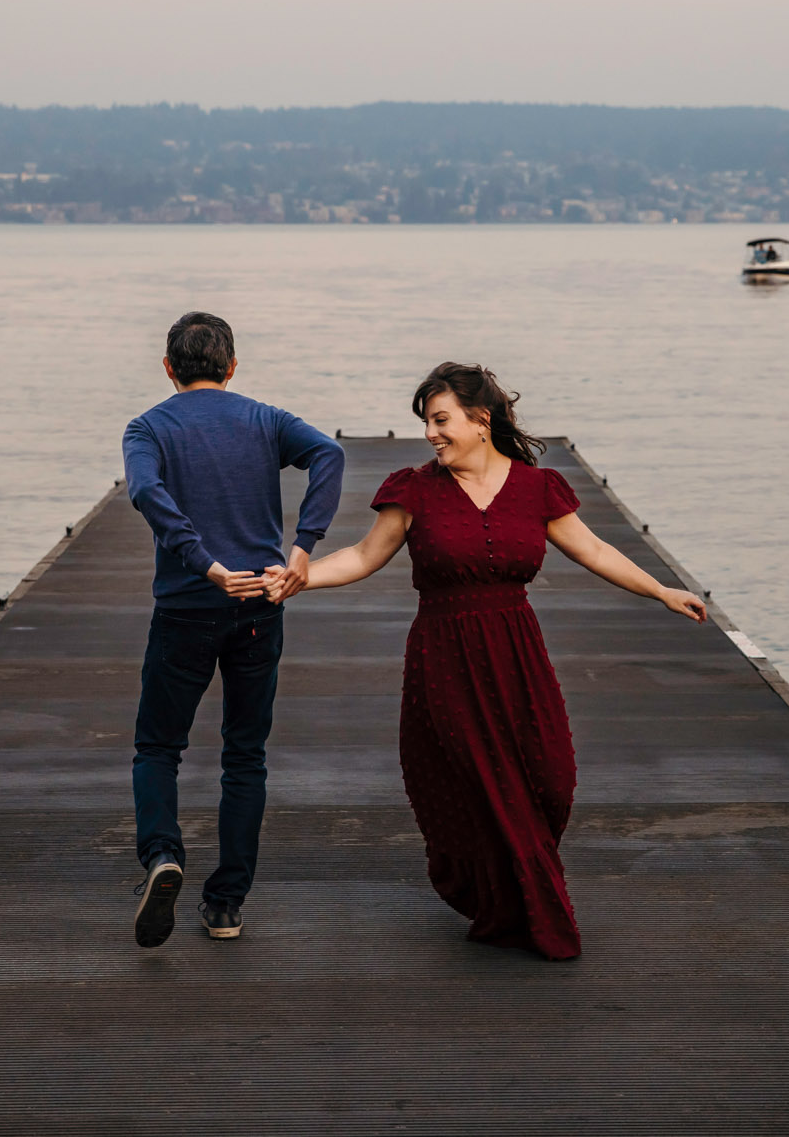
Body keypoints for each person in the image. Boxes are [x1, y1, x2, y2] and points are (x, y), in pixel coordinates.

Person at [271, 362, 706, 959]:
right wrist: (300, 577)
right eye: (427, 421)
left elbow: (597, 551)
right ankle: (527, 912)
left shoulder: (536, 488)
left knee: (551, 779)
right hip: (444, 655)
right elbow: (364, 556)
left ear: (482, 420)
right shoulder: (414, 489)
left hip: (518, 652)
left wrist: (661, 590)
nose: (431, 432)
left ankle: (510, 890)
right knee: (481, 781)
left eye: (441, 419)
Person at [122, 311, 343, 947]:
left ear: (168, 368)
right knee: (245, 756)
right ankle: (225, 905)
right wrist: (303, 546)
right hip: (260, 605)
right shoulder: (264, 420)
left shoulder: (148, 428)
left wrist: (203, 562)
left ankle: (162, 855)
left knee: (159, 747)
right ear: (232, 366)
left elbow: (145, 492)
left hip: (188, 606)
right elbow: (329, 452)